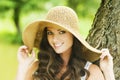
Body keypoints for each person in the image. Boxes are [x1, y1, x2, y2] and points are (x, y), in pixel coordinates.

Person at [16, 6, 115, 80]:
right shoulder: (38, 67)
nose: (54, 39)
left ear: (73, 35)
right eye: (50, 33)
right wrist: (23, 65)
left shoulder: (89, 71)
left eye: (61, 32)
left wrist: (108, 71)